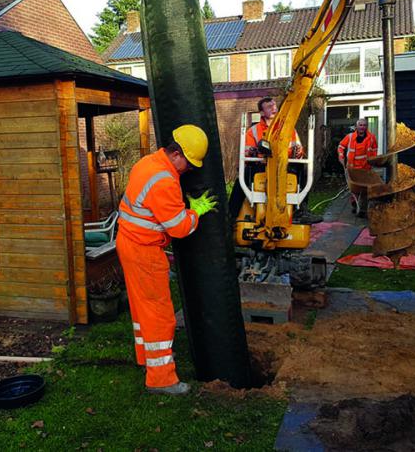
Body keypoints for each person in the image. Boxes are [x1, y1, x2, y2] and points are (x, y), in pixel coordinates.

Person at [116, 124, 217, 396]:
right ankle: (161, 379)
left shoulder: (147, 162)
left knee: (141, 309)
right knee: (159, 314)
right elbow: (179, 228)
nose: (189, 169)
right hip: (144, 251)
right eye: (189, 163)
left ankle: (145, 359)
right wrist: (195, 212)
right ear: (177, 154)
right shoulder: (164, 180)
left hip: (128, 242)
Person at [228, 97, 320, 224]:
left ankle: (301, 210)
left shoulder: (289, 129)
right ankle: (230, 216)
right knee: (241, 179)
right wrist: (256, 152)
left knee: (303, 171)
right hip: (260, 166)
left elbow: (298, 149)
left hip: (285, 166)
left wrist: (298, 152)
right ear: (261, 112)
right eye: (269, 107)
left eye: (274, 105)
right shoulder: (253, 131)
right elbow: (247, 152)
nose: (274, 108)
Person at [338, 118, 378, 215]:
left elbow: (374, 150)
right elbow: (341, 147)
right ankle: (355, 205)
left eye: (364, 125)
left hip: (365, 168)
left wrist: (373, 161)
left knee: (364, 189)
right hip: (352, 168)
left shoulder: (372, 137)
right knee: (354, 189)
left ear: (367, 126)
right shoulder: (350, 137)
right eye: (360, 125)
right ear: (356, 127)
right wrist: (341, 156)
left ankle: (362, 209)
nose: (362, 127)